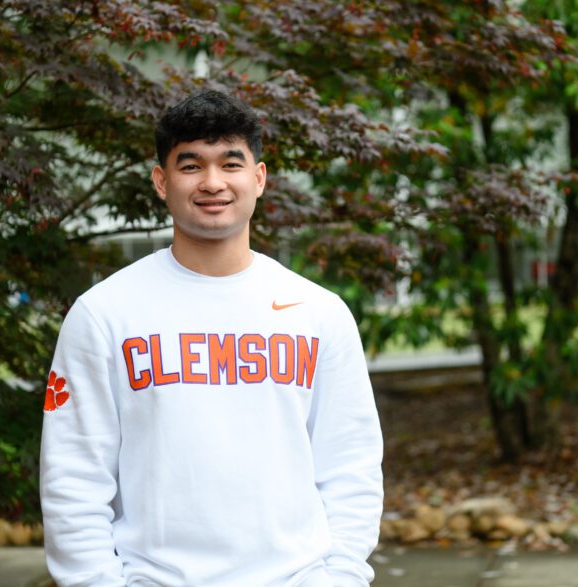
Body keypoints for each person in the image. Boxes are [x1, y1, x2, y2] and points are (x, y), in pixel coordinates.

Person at [39, 90, 384, 587]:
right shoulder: (104, 314)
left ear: (258, 178)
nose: (213, 182)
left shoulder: (319, 313)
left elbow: (351, 468)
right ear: (162, 181)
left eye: (230, 163)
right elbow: (72, 478)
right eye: (191, 165)